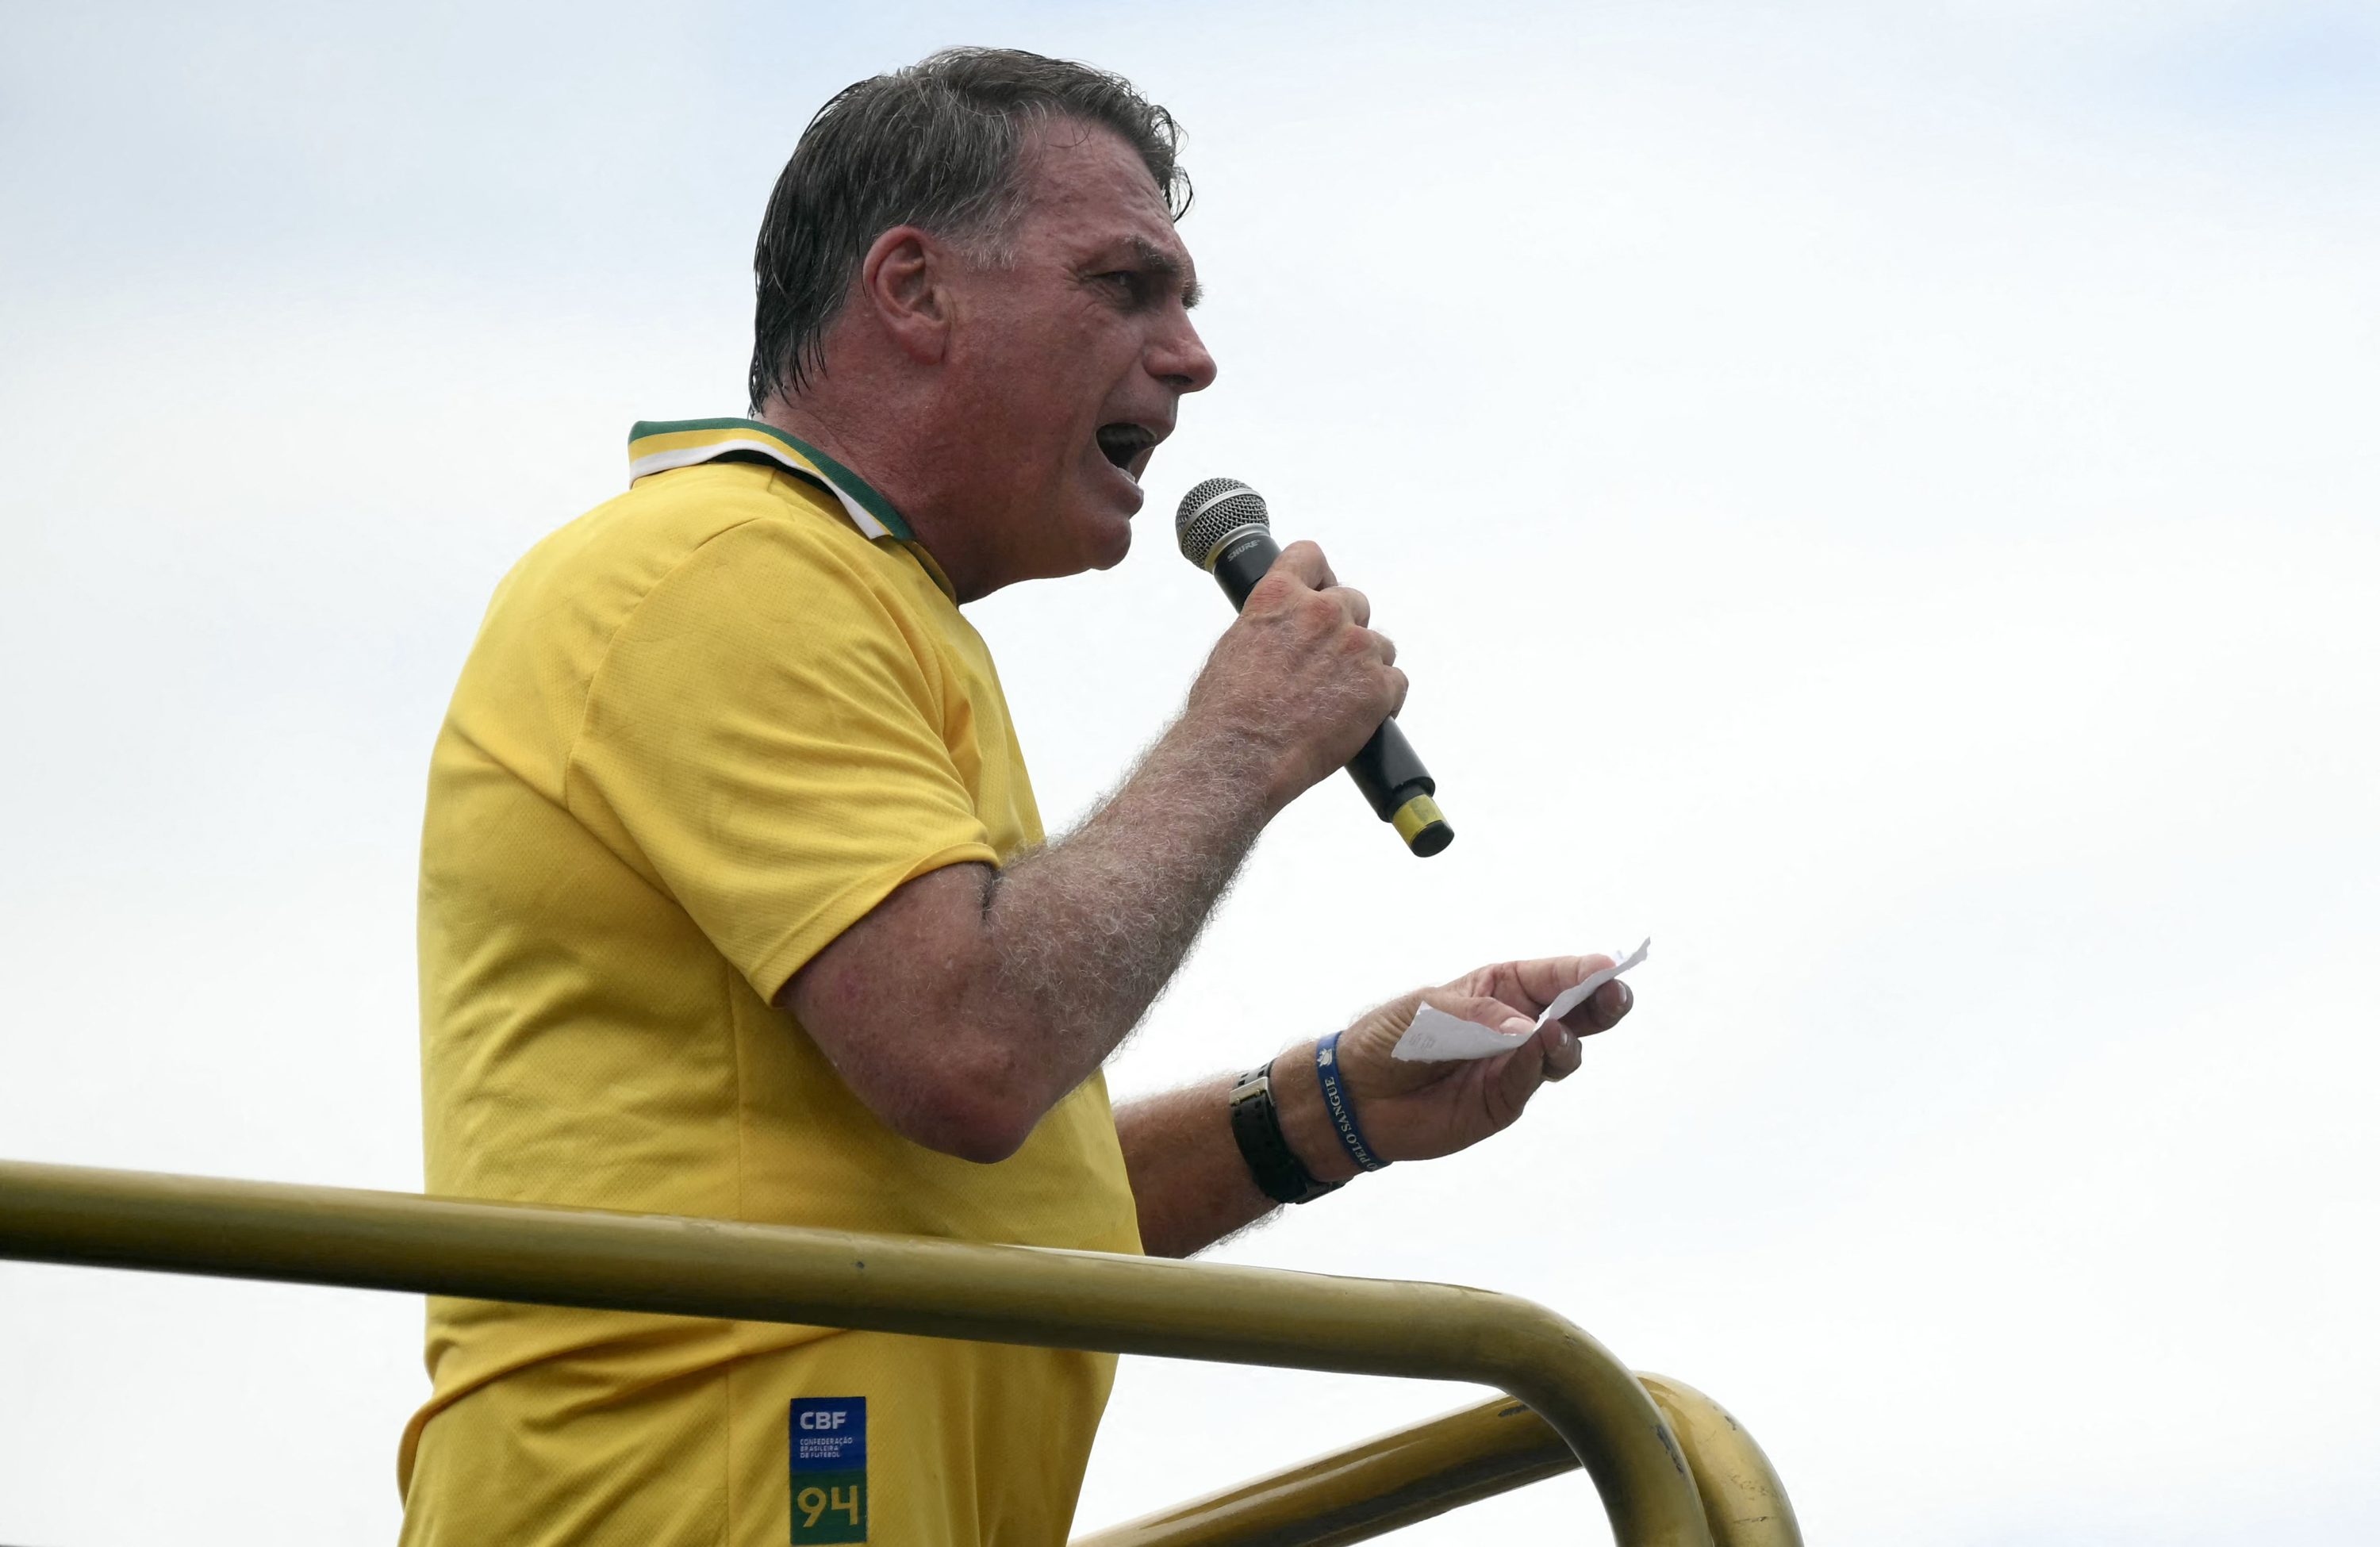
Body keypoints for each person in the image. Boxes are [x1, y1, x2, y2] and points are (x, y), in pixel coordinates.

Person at [397, 46, 1637, 1547]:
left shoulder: (866, 607)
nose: (1190, 356)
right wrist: (1241, 742)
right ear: (913, 290)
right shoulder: (726, 565)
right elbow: (972, 1049)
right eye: (1126, 286)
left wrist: (1331, 1105)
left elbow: (966, 1205)